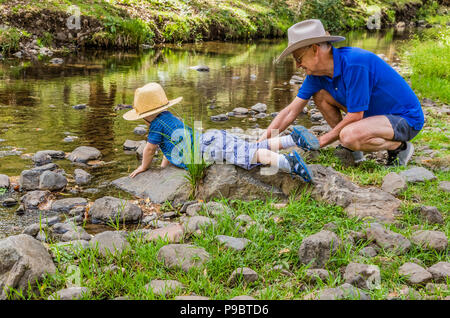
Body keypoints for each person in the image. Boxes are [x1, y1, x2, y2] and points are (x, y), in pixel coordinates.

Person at [258, 19, 424, 166]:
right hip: (372, 118)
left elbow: (355, 116)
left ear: (315, 49)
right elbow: (290, 112)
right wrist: (261, 143)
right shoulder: (316, 75)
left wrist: (321, 141)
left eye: (298, 58)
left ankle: (399, 147)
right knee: (320, 95)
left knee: (348, 136)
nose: (298, 65)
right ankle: (354, 151)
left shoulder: (355, 63)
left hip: (405, 119)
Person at [122, 82, 320, 183]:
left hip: (205, 149)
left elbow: (149, 150)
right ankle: (291, 139)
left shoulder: (155, 126)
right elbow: (169, 149)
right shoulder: (170, 118)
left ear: (146, 115)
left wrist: (143, 168)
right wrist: (166, 166)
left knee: (251, 155)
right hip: (210, 138)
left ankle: (289, 163)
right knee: (250, 147)